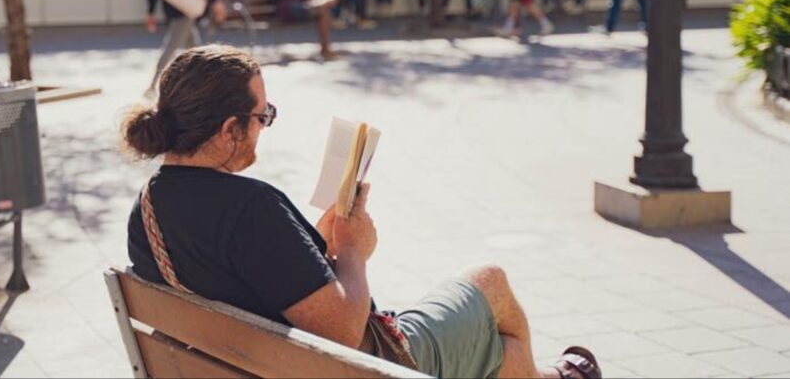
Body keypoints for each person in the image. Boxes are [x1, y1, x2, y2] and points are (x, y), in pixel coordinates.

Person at [123, 45, 603, 379]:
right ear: (230, 129)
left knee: (498, 352)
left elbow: (243, 274)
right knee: (491, 284)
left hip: (241, 363)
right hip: (365, 367)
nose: (264, 127)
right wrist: (353, 250)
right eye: (262, 117)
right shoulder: (250, 209)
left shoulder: (147, 210)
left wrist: (315, 244)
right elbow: (343, 333)